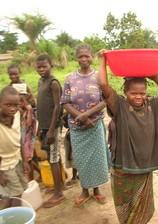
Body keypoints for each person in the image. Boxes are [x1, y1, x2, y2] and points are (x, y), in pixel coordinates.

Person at [99, 51, 158, 224]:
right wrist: (103, 60)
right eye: (134, 93)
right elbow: (103, 84)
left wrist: (156, 76)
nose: (138, 97)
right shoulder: (119, 106)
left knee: (141, 211)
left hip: (144, 167)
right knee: (125, 205)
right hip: (123, 167)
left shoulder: (154, 105)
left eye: (142, 93)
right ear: (125, 93)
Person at [61, 44, 109, 207]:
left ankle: (96, 190)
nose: (84, 59)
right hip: (77, 127)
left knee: (96, 159)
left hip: (95, 126)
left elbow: (105, 100)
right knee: (81, 160)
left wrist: (87, 115)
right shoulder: (69, 78)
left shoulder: (98, 77)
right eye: (80, 56)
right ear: (76, 58)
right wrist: (79, 117)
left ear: (91, 57)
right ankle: (84, 190)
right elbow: (65, 102)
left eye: (87, 56)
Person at [35, 54, 65, 208]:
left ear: (50, 66)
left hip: (53, 127)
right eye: (38, 67)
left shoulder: (53, 83)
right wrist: (40, 128)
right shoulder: (41, 82)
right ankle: (60, 185)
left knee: (53, 159)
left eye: (44, 66)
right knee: (55, 157)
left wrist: (52, 130)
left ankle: (58, 194)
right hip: (45, 126)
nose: (41, 69)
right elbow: (41, 107)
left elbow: (58, 107)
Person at [7, 64, 38, 181]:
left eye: (15, 74)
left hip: (27, 121)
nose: (13, 76)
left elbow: (34, 103)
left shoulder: (25, 87)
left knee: (29, 147)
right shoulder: (9, 88)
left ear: (20, 73)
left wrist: (26, 102)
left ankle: (33, 173)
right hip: (16, 121)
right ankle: (31, 171)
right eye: (11, 74)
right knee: (21, 147)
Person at [0, 86, 29, 208]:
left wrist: (25, 160)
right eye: (8, 105)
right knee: (11, 196)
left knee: (20, 190)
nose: (12, 109)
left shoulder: (18, 115)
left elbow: (20, 139)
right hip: (4, 166)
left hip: (17, 160)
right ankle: (11, 217)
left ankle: (14, 215)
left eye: (15, 105)